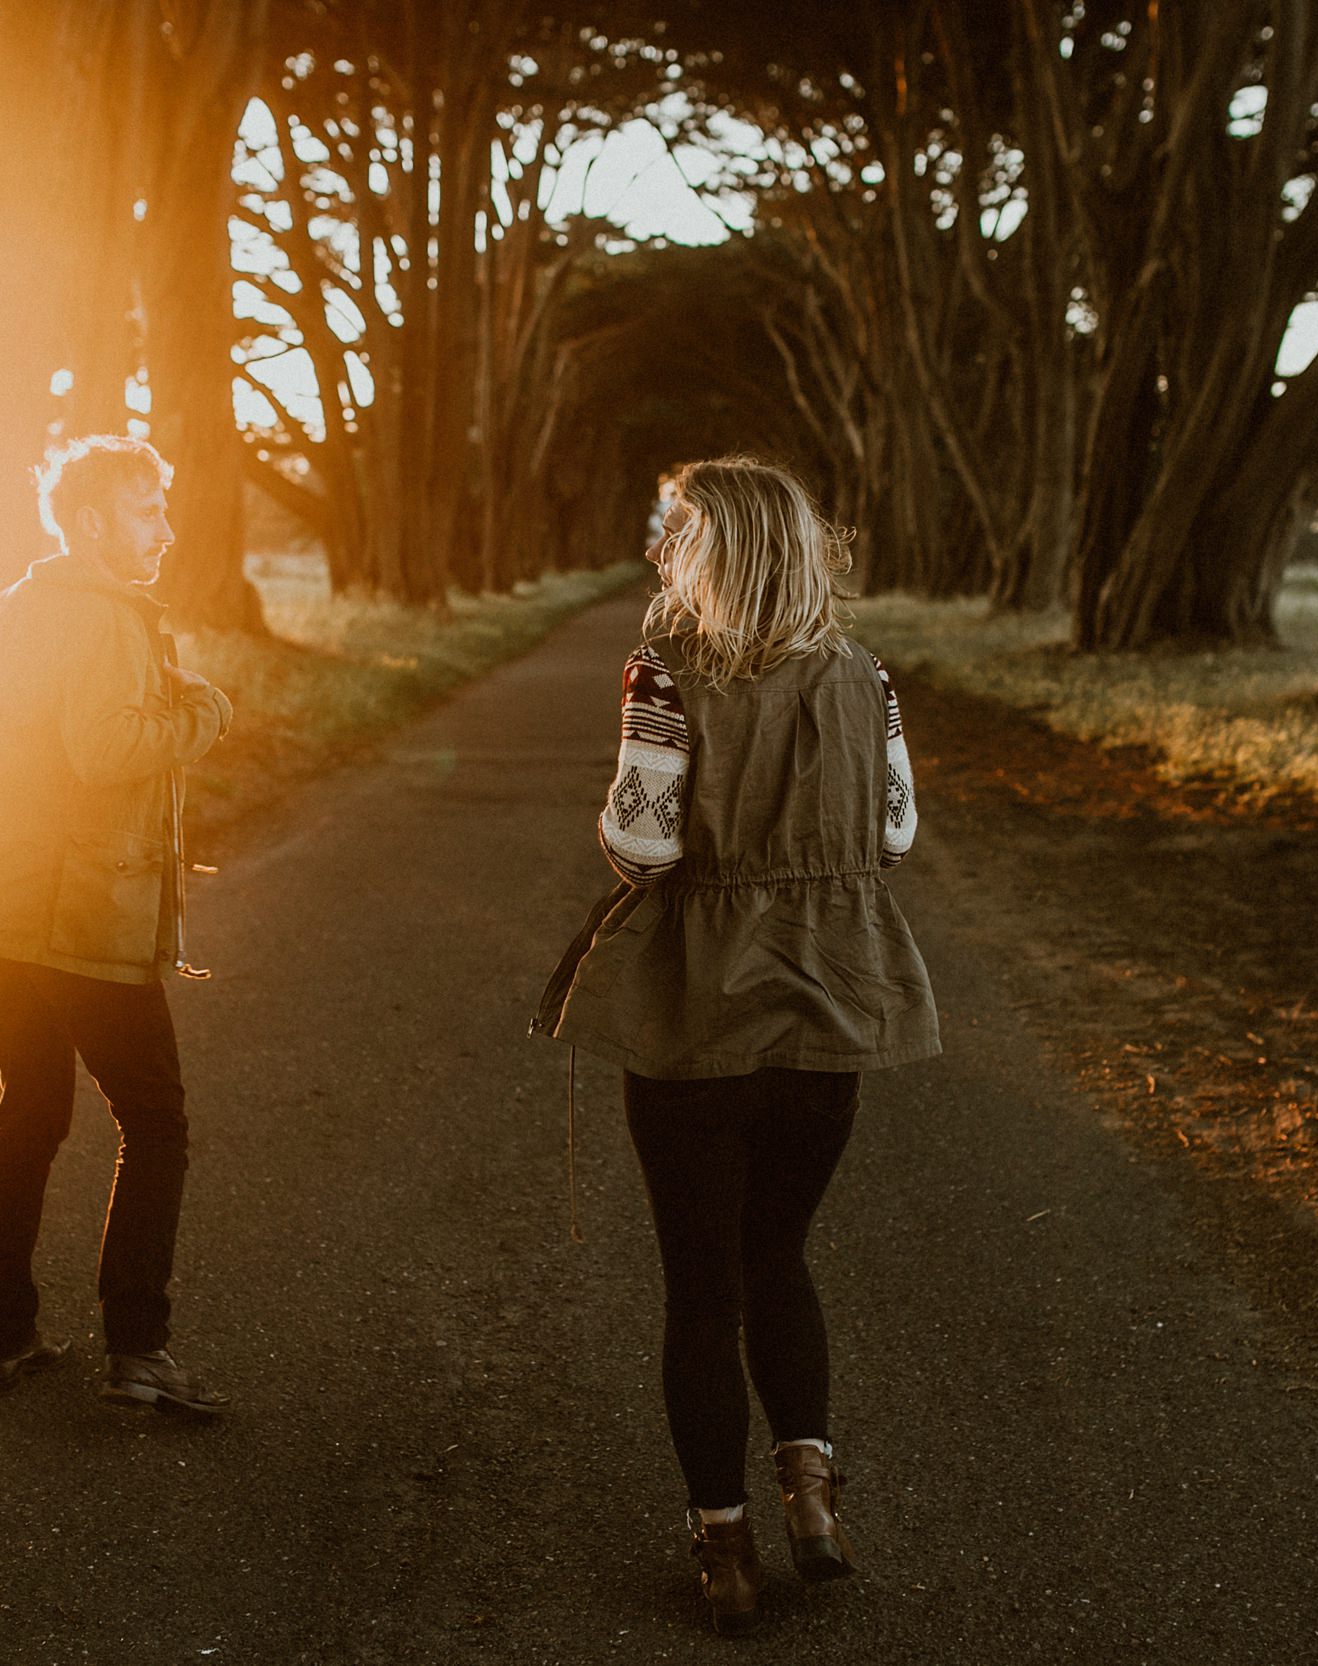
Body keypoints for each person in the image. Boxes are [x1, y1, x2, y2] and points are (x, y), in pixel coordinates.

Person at [534, 455, 940, 1634]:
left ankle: (723, 1550)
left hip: (697, 1007)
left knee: (700, 1288)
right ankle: (812, 1491)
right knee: (782, 1257)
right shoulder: (867, 679)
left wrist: (623, 812)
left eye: (676, 533)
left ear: (713, 553)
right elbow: (896, 832)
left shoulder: (667, 676)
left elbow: (646, 847)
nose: (663, 548)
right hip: (832, 999)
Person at [0, 433, 234, 1415]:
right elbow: (105, 747)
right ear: (89, 523)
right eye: (145, 510)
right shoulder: (106, 618)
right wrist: (202, 710)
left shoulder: (7, 610)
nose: (164, 528)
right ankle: (140, 1352)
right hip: (81, 912)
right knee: (155, 1121)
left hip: (8, 912)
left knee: (30, 1116)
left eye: (162, 508)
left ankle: (3, 1338)